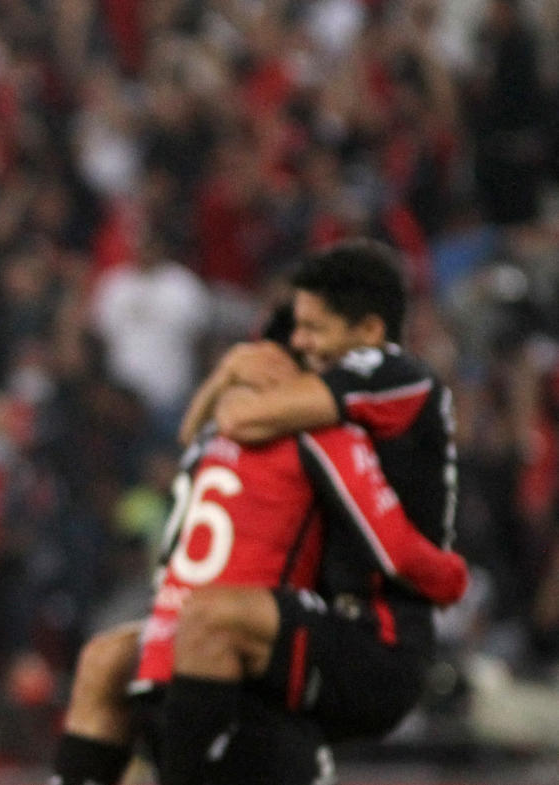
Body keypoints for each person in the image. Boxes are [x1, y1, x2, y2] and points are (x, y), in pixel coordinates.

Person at [50, 308, 467, 785]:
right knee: (140, 649)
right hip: (234, 641)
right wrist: (448, 576)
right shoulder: (318, 434)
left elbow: (191, 440)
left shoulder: (210, 438)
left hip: (187, 636)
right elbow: (388, 542)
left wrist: (221, 379)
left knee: (106, 659)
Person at [158, 239, 458, 785]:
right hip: (324, 626)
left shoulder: (394, 373)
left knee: (210, 619)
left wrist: (235, 382)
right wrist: (228, 378)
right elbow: (195, 434)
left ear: (368, 331)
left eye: (314, 328)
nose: (299, 342)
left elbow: (243, 420)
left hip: (377, 639)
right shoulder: (338, 402)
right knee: (124, 663)